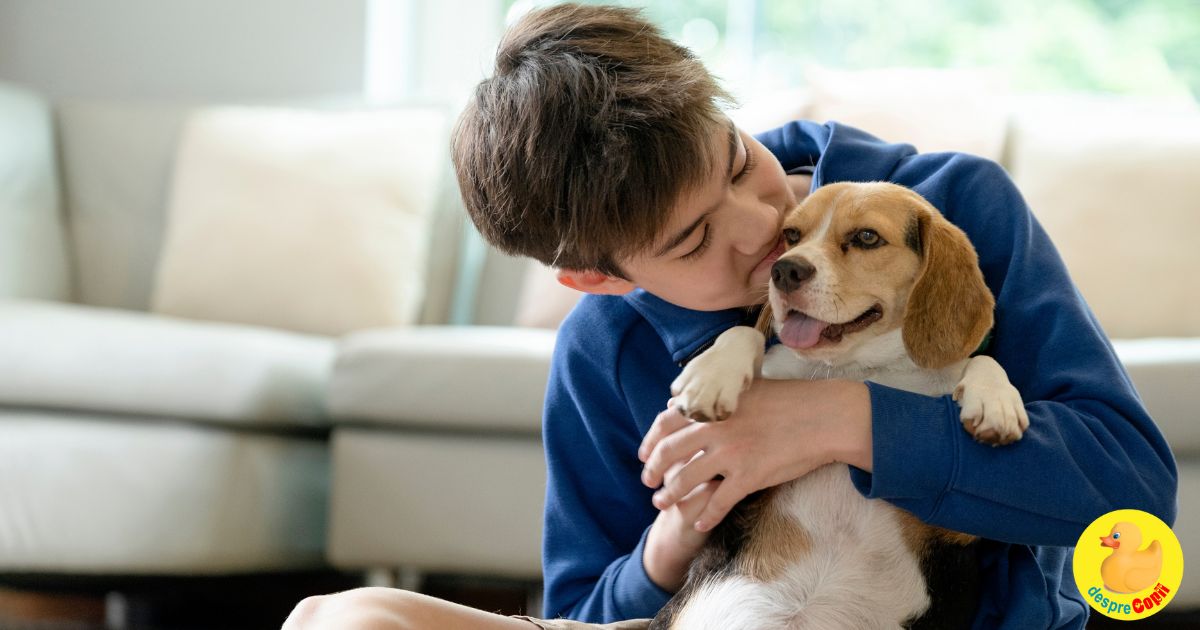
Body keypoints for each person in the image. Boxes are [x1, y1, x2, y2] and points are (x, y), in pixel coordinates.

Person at [283, 3, 1178, 629]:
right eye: (692, 239)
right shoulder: (604, 350)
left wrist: (840, 421)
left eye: (737, 160)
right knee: (339, 617)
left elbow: (1136, 499)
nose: (763, 235)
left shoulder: (951, 206)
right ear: (600, 279)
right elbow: (584, 607)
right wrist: (674, 538)